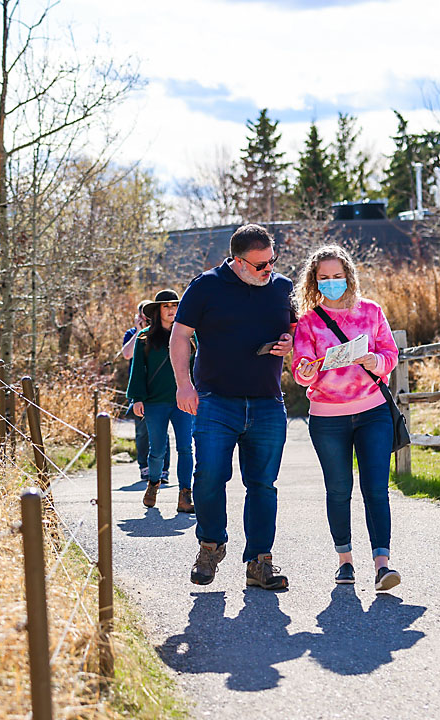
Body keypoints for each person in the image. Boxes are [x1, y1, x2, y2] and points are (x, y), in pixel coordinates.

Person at [170, 223, 296, 591]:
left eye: (271, 261)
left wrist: (289, 341)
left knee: (263, 485)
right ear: (237, 262)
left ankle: (259, 562)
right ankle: (210, 546)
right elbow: (180, 335)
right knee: (209, 476)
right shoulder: (205, 286)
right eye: (259, 265)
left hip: (267, 402)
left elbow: (296, 330)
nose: (267, 270)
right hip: (214, 401)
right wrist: (183, 385)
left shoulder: (283, 288)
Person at [291, 245, 402, 591]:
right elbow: (300, 370)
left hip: (373, 412)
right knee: (338, 490)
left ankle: (382, 565)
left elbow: (390, 352)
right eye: (324, 278)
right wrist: (306, 370)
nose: (332, 283)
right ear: (314, 281)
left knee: (376, 489)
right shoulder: (308, 321)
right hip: (327, 418)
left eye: (337, 276)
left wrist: (376, 362)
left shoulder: (370, 311)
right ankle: (345, 561)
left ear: (348, 276)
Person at [126, 289, 195, 513]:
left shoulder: (189, 335)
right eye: (166, 306)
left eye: (175, 306)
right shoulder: (145, 336)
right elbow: (138, 370)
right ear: (158, 310)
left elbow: (198, 367)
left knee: (186, 448)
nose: (171, 310)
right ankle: (153, 484)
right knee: (157, 450)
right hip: (155, 401)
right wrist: (137, 399)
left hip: (183, 401)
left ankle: (185, 495)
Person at [122, 302, 170, 487]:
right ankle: (145, 467)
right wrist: (138, 330)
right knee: (142, 432)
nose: (145, 319)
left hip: (160, 390)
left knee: (161, 431)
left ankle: (163, 470)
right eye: (142, 316)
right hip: (139, 389)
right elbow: (127, 354)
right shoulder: (133, 334)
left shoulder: (164, 332)